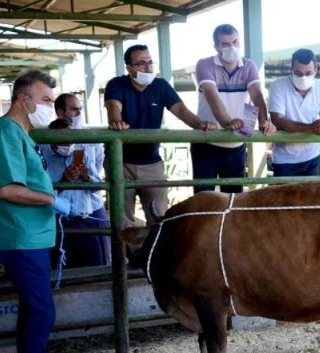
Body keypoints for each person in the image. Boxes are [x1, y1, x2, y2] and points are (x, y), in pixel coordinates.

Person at [0, 70, 75, 353]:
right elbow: (8, 189)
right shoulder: (5, 132)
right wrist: (52, 201)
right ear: (24, 99)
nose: (52, 107)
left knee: (35, 311)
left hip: (29, 234)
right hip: (19, 235)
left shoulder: (19, 133)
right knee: (41, 311)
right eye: (46, 100)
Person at [104, 44, 215, 227]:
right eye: (140, 63)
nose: (147, 67)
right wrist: (116, 121)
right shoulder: (116, 84)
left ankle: (153, 255)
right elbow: (113, 106)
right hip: (120, 163)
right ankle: (124, 256)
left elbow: (180, 109)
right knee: (122, 220)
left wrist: (199, 124)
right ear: (129, 68)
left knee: (159, 217)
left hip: (152, 163)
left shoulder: (160, 85)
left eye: (149, 62)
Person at [192, 24, 275, 195]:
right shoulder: (205, 65)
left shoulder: (248, 66)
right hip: (206, 143)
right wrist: (227, 122)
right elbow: (211, 94)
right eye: (225, 44)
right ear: (216, 47)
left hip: (236, 144)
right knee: (203, 199)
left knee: (233, 199)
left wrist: (264, 122)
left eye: (235, 41)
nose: (232, 47)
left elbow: (257, 95)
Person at [41, 118, 111, 268]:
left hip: (85, 217)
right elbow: (41, 194)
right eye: (63, 141)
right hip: (58, 222)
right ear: (52, 141)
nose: (68, 144)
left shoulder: (82, 152)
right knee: (62, 266)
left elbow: (98, 187)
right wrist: (64, 180)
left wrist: (87, 178)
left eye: (70, 139)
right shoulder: (43, 158)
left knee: (94, 266)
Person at [269, 48, 320, 177]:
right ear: (291, 70)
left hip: (313, 157)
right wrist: (311, 128)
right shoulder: (279, 86)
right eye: (298, 73)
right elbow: (278, 120)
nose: (304, 77)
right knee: (285, 197)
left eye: (309, 73)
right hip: (284, 160)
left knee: (313, 197)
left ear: (316, 70)